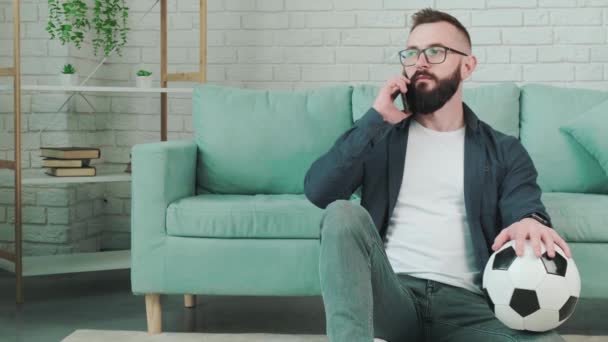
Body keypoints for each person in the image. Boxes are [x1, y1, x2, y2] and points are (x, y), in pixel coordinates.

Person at [304, 8, 571, 342]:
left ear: (467, 65)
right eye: (412, 53)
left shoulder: (503, 150)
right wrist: (375, 119)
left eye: (435, 51)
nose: (420, 62)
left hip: (468, 307)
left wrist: (530, 221)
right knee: (341, 213)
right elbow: (320, 190)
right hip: (392, 297)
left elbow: (524, 205)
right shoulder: (380, 137)